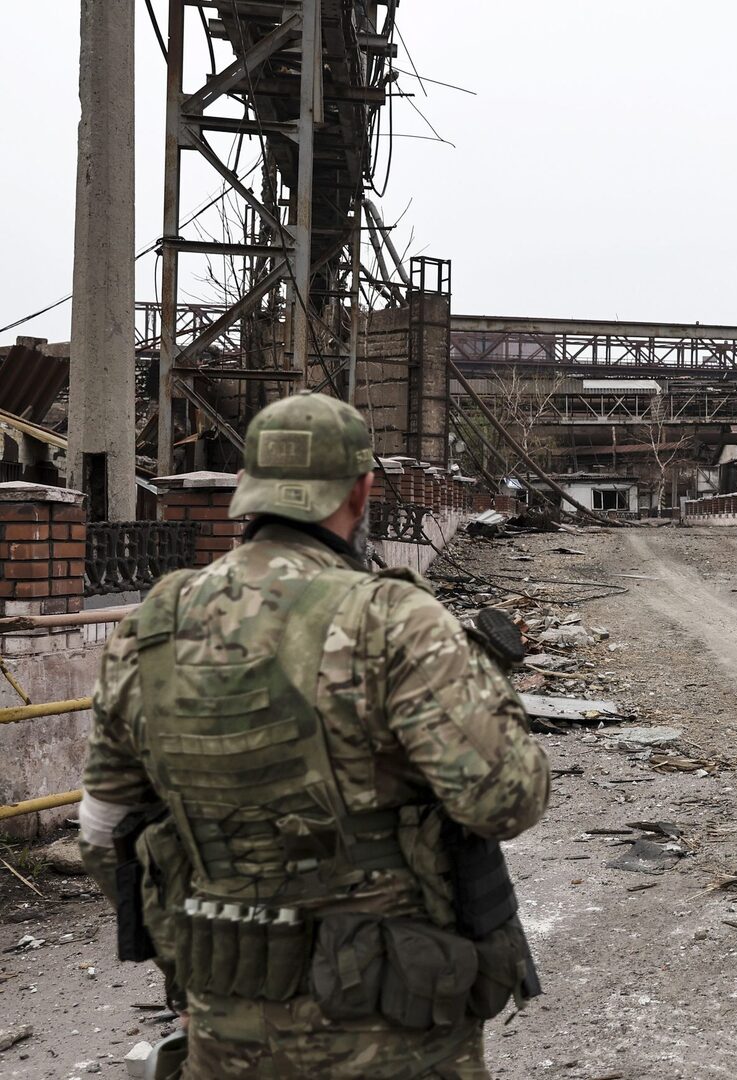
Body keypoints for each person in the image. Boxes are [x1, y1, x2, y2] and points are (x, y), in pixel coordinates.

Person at [77, 392, 551, 1079]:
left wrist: (195, 956)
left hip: (225, 1025)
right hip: (393, 1030)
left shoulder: (155, 622)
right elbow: (507, 801)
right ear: (360, 492)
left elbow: (103, 833)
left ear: (248, 491)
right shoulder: (392, 618)